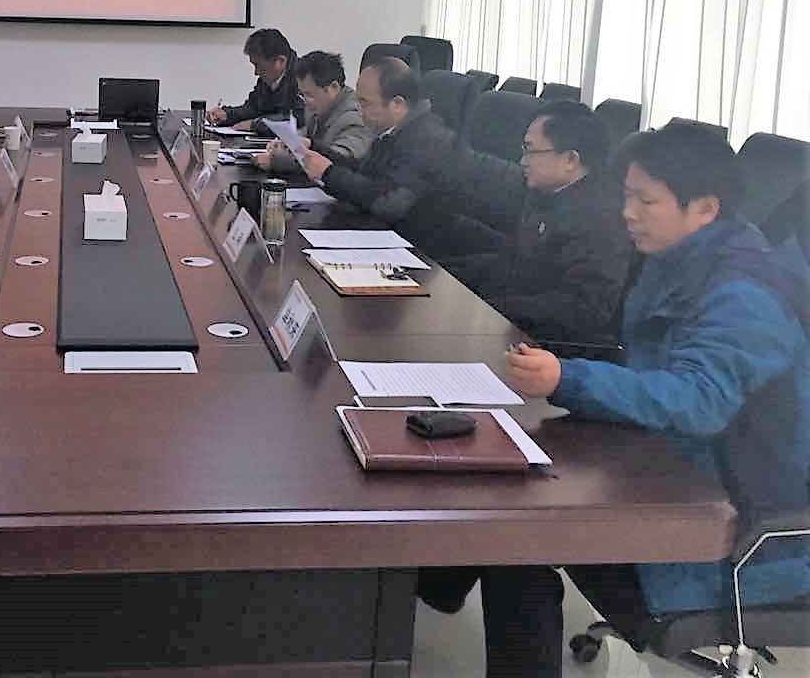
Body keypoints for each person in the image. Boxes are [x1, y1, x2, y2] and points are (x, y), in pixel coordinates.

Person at [419, 124, 810, 678]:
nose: (627, 213)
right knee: (507, 507)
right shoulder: (685, 259)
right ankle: (428, 583)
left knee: (513, 534)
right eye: (626, 195)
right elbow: (657, 370)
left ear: (704, 208)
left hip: (748, 537)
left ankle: (426, 584)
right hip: (677, 473)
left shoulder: (746, 297)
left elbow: (699, 399)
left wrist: (569, 379)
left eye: (645, 201)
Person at [457, 100, 633, 347]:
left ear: (570, 159)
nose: (523, 161)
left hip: (549, 348)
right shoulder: (547, 195)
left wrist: (490, 307)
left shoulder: (601, 219)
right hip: (513, 327)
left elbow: (583, 309)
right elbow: (512, 264)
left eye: (531, 151)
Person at [300, 58, 462, 248]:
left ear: (397, 104)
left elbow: (387, 202)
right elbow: (362, 172)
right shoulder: (395, 131)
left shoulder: (426, 140)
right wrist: (314, 150)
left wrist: (329, 173)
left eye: (365, 103)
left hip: (419, 248)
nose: (359, 111)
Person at [256, 51, 372, 174]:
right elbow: (307, 135)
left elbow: (335, 163)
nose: (305, 102)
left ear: (333, 87)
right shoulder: (318, 107)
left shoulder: (355, 117)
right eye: (302, 94)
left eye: (309, 95)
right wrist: (286, 142)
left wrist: (276, 162)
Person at [206, 28, 301, 131]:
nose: (256, 72)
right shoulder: (267, 79)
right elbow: (252, 109)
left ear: (280, 61)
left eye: (259, 66)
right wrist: (227, 115)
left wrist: (255, 125)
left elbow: (297, 119)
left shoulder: (304, 78)